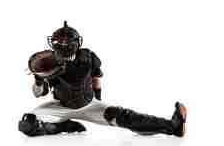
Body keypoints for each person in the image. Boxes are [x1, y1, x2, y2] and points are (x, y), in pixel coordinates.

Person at [18, 21, 187, 137]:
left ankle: (172, 126)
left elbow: (96, 77)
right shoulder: (48, 61)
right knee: (27, 124)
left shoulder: (88, 57)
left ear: (77, 43)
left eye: (66, 41)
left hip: (88, 103)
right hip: (60, 106)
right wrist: (39, 79)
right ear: (52, 43)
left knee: (122, 116)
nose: (63, 45)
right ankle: (63, 126)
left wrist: (98, 101)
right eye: (58, 41)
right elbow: (37, 94)